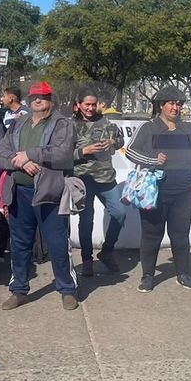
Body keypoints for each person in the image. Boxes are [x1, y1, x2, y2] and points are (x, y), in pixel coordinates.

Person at [0, 82, 79, 310]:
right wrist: (22, 164)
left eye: (42, 97)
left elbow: (63, 154)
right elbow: (0, 153)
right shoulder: (18, 123)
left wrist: (30, 155)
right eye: (33, 97)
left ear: (51, 99)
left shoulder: (62, 124)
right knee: (20, 244)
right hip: (19, 192)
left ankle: (67, 289)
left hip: (50, 193)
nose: (37, 101)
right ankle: (19, 290)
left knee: (57, 243)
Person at [124, 85, 191, 293]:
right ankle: (147, 276)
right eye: (172, 103)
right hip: (155, 193)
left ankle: (183, 274)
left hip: (184, 192)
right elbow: (130, 151)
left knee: (181, 235)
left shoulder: (188, 128)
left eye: (179, 104)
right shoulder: (148, 128)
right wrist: (152, 160)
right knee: (151, 235)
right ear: (161, 105)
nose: (176, 107)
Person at [72, 91, 127, 276]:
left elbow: (120, 141)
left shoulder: (106, 122)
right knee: (86, 220)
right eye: (86, 104)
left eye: (93, 105)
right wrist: (83, 151)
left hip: (106, 178)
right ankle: (87, 260)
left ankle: (107, 251)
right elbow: (61, 154)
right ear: (78, 104)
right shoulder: (71, 126)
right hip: (83, 180)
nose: (90, 108)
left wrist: (113, 140)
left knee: (120, 213)